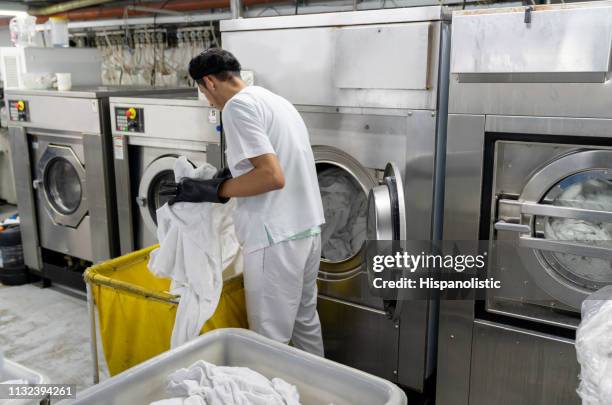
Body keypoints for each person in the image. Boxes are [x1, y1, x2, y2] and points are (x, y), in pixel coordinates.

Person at [161, 48, 325, 356]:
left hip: (274, 236)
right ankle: (323, 395)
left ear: (209, 81)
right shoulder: (274, 100)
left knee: (268, 339)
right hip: (308, 229)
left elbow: (271, 176)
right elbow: (272, 161)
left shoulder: (236, 108)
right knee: (305, 323)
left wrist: (215, 190)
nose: (208, 101)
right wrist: (223, 177)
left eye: (202, 91)